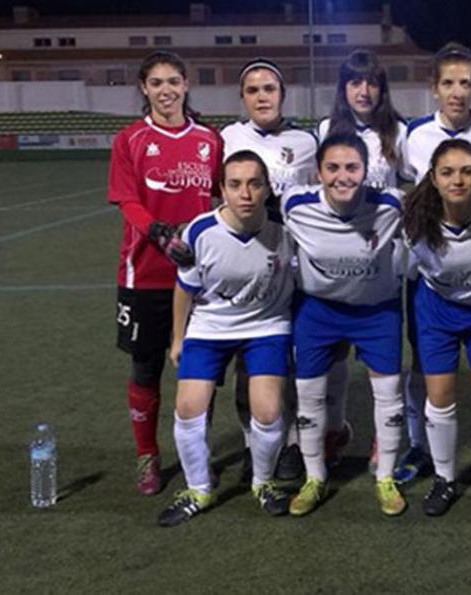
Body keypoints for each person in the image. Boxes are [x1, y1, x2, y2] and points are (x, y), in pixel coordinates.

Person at [397, 42, 471, 485]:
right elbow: (406, 192)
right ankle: (419, 447)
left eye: (465, 83)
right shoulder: (414, 133)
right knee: (423, 365)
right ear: (434, 88)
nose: (457, 92)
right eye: (448, 82)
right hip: (431, 268)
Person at [157, 150, 294, 527]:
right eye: (235, 184)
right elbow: (184, 288)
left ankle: (263, 483)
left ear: (268, 188)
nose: (245, 194)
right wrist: (178, 338)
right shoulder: (200, 231)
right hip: (210, 327)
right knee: (189, 408)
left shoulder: (285, 228)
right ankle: (198, 489)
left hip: (266, 325)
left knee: (267, 411)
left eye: (254, 184)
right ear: (221, 189)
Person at [108, 51, 221, 496]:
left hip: (197, 277)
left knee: (200, 371)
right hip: (144, 275)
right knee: (146, 367)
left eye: (173, 81)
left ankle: (197, 452)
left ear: (186, 84)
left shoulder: (209, 140)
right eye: (156, 83)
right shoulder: (130, 139)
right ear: (144, 88)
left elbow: (220, 197)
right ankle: (147, 455)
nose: (166, 90)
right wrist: (158, 231)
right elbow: (126, 199)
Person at [282, 133, 407, 517]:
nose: (342, 176)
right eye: (333, 168)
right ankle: (314, 477)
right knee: (308, 394)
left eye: (352, 167)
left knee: (388, 392)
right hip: (318, 310)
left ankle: (385, 477)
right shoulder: (295, 205)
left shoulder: (391, 205)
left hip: (376, 309)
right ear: (318, 172)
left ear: (366, 171)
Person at [221, 58, 331, 483]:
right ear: (242, 98)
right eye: (252, 90)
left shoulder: (306, 141)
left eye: (269, 88)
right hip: (245, 267)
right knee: (249, 361)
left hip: (295, 264)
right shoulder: (228, 138)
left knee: (295, 359)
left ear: (283, 94)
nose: (262, 96)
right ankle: (255, 445)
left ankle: (293, 443)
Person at [402, 139, 471, 517]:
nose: (458, 180)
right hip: (437, 311)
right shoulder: (413, 219)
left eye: (467, 172)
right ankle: (445, 478)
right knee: (439, 396)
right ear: (433, 178)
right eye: (448, 172)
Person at [318, 49, 408, 190]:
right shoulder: (327, 129)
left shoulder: (398, 130)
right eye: (356, 83)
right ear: (343, 89)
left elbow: (409, 179)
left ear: (382, 90)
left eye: (372, 84)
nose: (364, 92)